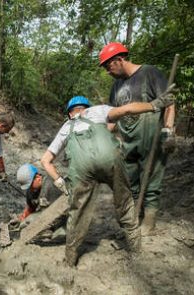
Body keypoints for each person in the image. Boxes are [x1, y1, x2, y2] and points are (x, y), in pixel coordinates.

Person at [41, 93, 174, 266]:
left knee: (78, 212)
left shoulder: (66, 127)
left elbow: (45, 161)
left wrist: (60, 181)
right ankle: (136, 251)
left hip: (82, 169)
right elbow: (127, 109)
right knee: (125, 203)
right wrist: (154, 105)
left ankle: (70, 261)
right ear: (86, 108)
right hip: (110, 160)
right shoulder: (97, 111)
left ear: (69, 113)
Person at [99, 42, 175, 235]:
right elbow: (112, 116)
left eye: (108, 66)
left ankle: (149, 222)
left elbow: (168, 102)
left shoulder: (150, 73)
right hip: (128, 140)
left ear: (119, 59)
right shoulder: (116, 86)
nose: (108, 71)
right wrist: (101, 138)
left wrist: (168, 130)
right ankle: (135, 216)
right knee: (130, 181)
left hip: (152, 137)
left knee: (151, 180)